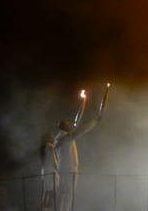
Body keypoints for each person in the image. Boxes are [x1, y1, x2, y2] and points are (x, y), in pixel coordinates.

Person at [40, 83, 110, 211]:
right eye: (68, 123)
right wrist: (95, 121)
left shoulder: (63, 137)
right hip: (68, 171)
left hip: (68, 170)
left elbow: (77, 122)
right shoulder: (64, 138)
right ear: (64, 127)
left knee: (66, 196)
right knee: (65, 196)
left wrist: (83, 101)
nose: (71, 124)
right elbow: (81, 129)